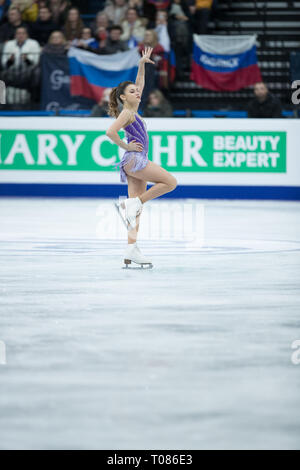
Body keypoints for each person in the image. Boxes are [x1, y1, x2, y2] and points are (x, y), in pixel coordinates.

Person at [106, 46, 177, 268]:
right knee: (170, 182)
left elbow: (141, 84)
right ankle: (132, 204)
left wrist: (141, 65)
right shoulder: (127, 112)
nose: (138, 92)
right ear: (123, 97)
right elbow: (110, 132)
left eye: (138, 91)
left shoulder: (133, 109)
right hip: (135, 160)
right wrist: (126, 145)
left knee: (136, 212)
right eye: (132, 91)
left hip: (131, 162)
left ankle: (131, 249)